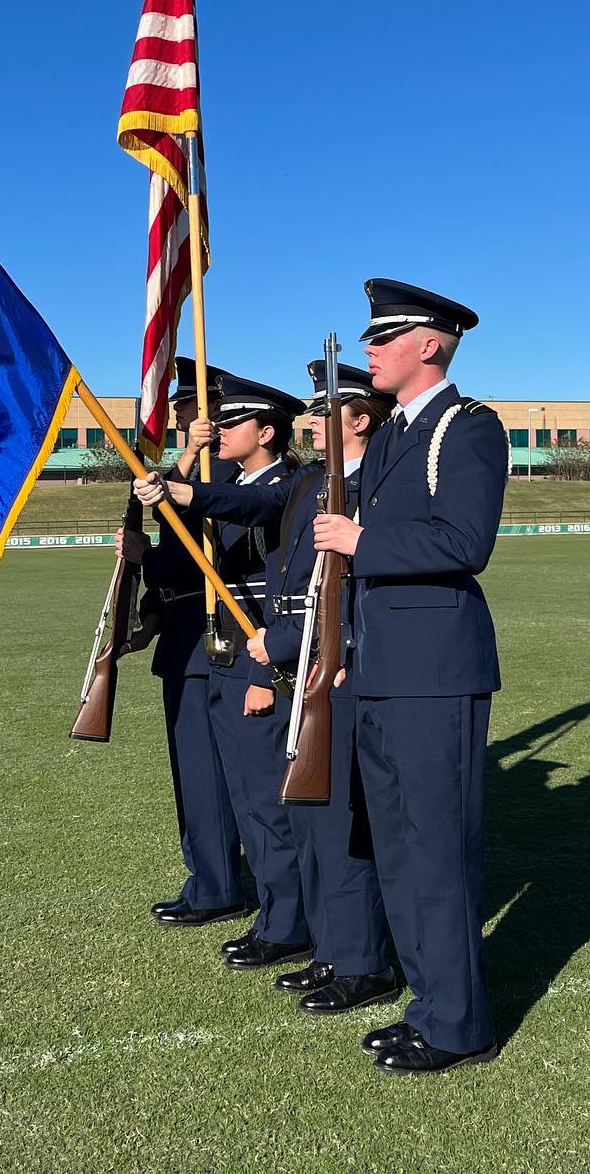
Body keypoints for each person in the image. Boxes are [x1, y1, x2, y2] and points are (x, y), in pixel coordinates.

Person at [140, 362, 401, 1008]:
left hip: (323, 664)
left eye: (323, 411)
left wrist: (269, 658)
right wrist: (182, 487)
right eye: (309, 411)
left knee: (327, 822)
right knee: (307, 820)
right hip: (289, 659)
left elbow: (338, 588)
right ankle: (330, 946)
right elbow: (257, 516)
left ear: (360, 419)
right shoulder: (310, 482)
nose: (310, 422)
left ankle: (352, 954)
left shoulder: (372, 482)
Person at [313, 277, 506, 1076]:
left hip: (435, 673)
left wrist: (361, 544)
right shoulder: (393, 435)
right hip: (384, 668)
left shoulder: (467, 428)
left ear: (428, 343)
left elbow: (465, 542)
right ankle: (429, 1005)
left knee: (436, 851)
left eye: (382, 338)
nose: (369, 350)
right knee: (396, 847)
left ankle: (459, 1026)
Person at [118, 359, 247, 927]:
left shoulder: (223, 476)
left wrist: (145, 557)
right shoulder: (186, 469)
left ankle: (218, 885)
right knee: (192, 774)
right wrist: (149, 615)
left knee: (206, 774)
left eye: (188, 406)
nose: (176, 413)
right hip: (181, 636)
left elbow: (195, 558)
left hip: (210, 641)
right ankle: (208, 877)